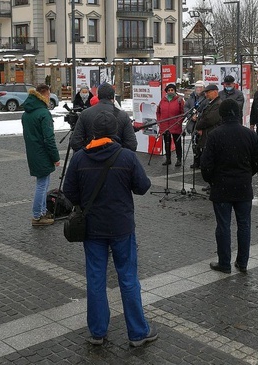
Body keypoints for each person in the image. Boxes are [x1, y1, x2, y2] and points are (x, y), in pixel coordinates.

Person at [63, 111, 157, 348]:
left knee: (95, 279)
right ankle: (137, 332)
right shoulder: (126, 156)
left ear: (93, 133)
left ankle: (97, 332)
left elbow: (69, 193)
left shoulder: (80, 158)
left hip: (92, 228)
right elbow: (143, 187)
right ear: (115, 133)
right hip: (121, 227)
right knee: (128, 279)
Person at [201, 99, 258, 273]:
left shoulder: (215, 134)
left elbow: (206, 163)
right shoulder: (249, 134)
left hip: (221, 186)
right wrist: (247, 173)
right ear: (237, 113)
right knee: (244, 225)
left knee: (223, 226)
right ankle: (242, 262)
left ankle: (224, 263)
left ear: (221, 114)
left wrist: (211, 180)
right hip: (243, 186)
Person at [21, 84, 61, 226]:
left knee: (43, 183)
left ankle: (42, 211)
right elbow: (49, 139)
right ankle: (37, 215)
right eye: (49, 95)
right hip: (42, 153)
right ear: (44, 94)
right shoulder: (43, 113)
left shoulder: (26, 113)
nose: (49, 97)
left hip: (33, 153)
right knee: (42, 185)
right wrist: (55, 157)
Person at [70, 83, 137, 152]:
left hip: (91, 156)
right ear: (113, 97)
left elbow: (75, 142)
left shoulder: (85, 114)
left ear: (98, 96)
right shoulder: (123, 116)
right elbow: (132, 145)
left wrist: (87, 155)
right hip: (116, 158)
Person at [192, 83, 222, 169]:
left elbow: (209, 119)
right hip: (207, 132)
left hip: (212, 132)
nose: (206, 94)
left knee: (212, 154)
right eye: (205, 92)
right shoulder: (209, 103)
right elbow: (203, 116)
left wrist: (198, 126)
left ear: (215, 92)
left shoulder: (218, 104)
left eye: (208, 92)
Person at [156, 83, 185, 167]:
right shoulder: (163, 100)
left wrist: (179, 121)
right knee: (167, 143)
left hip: (175, 125)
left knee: (177, 143)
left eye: (172, 90)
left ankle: (179, 159)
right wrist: (159, 121)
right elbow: (158, 112)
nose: (170, 92)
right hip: (165, 125)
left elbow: (183, 113)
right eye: (168, 90)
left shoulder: (179, 100)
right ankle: (168, 159)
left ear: (175, 91)